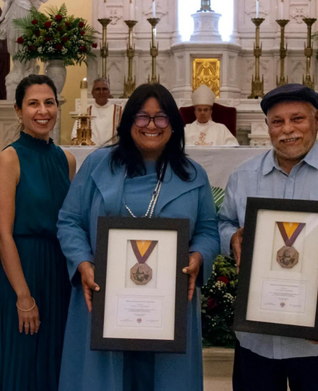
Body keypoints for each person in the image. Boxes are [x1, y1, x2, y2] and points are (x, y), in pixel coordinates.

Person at [57, 83, 220, 391]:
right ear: (128, 121)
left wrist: (198, 257)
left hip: (169, 307)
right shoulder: (97, 165)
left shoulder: (193, 175)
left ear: (173, 124)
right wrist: (82, 262)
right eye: (142, 117)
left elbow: (208, 231)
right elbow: (70, 220)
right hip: (102, 298)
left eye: (161, 118)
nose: (151, 126)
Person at [218, 84, 318, 391]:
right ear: (267, 126)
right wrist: (231, 239)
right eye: (278, 121)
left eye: (297, 119)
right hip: (257, 339)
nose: (287, 130)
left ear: (317, 120)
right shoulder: (244, 176)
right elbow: (223, 224)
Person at [0, 75, 77, 391]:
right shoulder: (9, 158)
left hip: (57, 272)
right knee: (20, 366)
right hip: (20, 270)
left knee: (54, 364)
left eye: (49, 102)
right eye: (33, 103)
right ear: (18, 110)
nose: (43, 111)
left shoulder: (66, 159)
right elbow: (3, 232)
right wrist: (23, 296)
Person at [71, 78, 124, 145]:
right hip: (90, 151)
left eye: (104, 89)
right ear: (92, 93)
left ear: (109, 92)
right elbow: (75, 135)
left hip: (113, 151)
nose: (101, 92)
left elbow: (126, 133)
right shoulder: (85, 113)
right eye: (98, 89)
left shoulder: (119, 112)